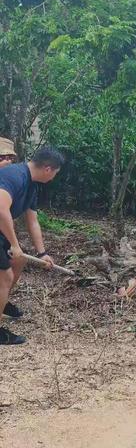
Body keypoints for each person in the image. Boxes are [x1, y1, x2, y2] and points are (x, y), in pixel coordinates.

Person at [0, 146, 65, 345]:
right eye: (55, 173)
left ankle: (2, 304)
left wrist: (42, 252)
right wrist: (14, 243)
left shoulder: (32, 185)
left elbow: (32, 221)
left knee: (17, 262)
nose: (54, 178)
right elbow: (1, 210)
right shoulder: (14, 175)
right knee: (5, 275)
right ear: (48, 168)